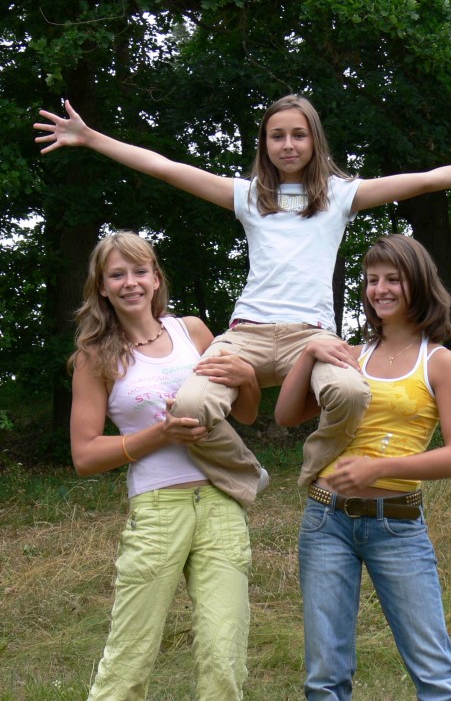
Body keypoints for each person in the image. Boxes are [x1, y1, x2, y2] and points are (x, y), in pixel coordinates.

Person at [35, 96, 451, 489]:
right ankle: (248, 473)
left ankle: (315, 471)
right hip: (246, 335)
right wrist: (92, 138)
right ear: (264, 145)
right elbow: (167, 168)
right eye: (276, 136)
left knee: (352, 393)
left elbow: (427, 179)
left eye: (298, 135)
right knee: (190, 405)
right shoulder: (248, 197)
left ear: (314, 142)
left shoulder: (340, 196)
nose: (287, 145)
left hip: (310, 338)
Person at [274, 233, 451, 701]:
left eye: (393, 279)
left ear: (418, 283)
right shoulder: (350, 356)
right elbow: (286, 416)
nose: (380, 289)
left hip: (397, 525)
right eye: (371, 280)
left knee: (437, 676)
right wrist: (308, 353)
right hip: (326, 521)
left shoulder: (440, 362)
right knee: (324, 679)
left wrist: (377, 468)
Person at [69, 230, 261, 701]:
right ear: (102, 287)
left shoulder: (192, 332)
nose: (130, 282)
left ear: (156, 278)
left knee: (223, 654)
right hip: (158, 508)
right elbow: (85, 455)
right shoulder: (94, 357)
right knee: (129, 656)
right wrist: (161, 434)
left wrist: (249, 378)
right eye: (117, 275)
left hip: (220, 499)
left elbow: (245, 412)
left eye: (140, 271)